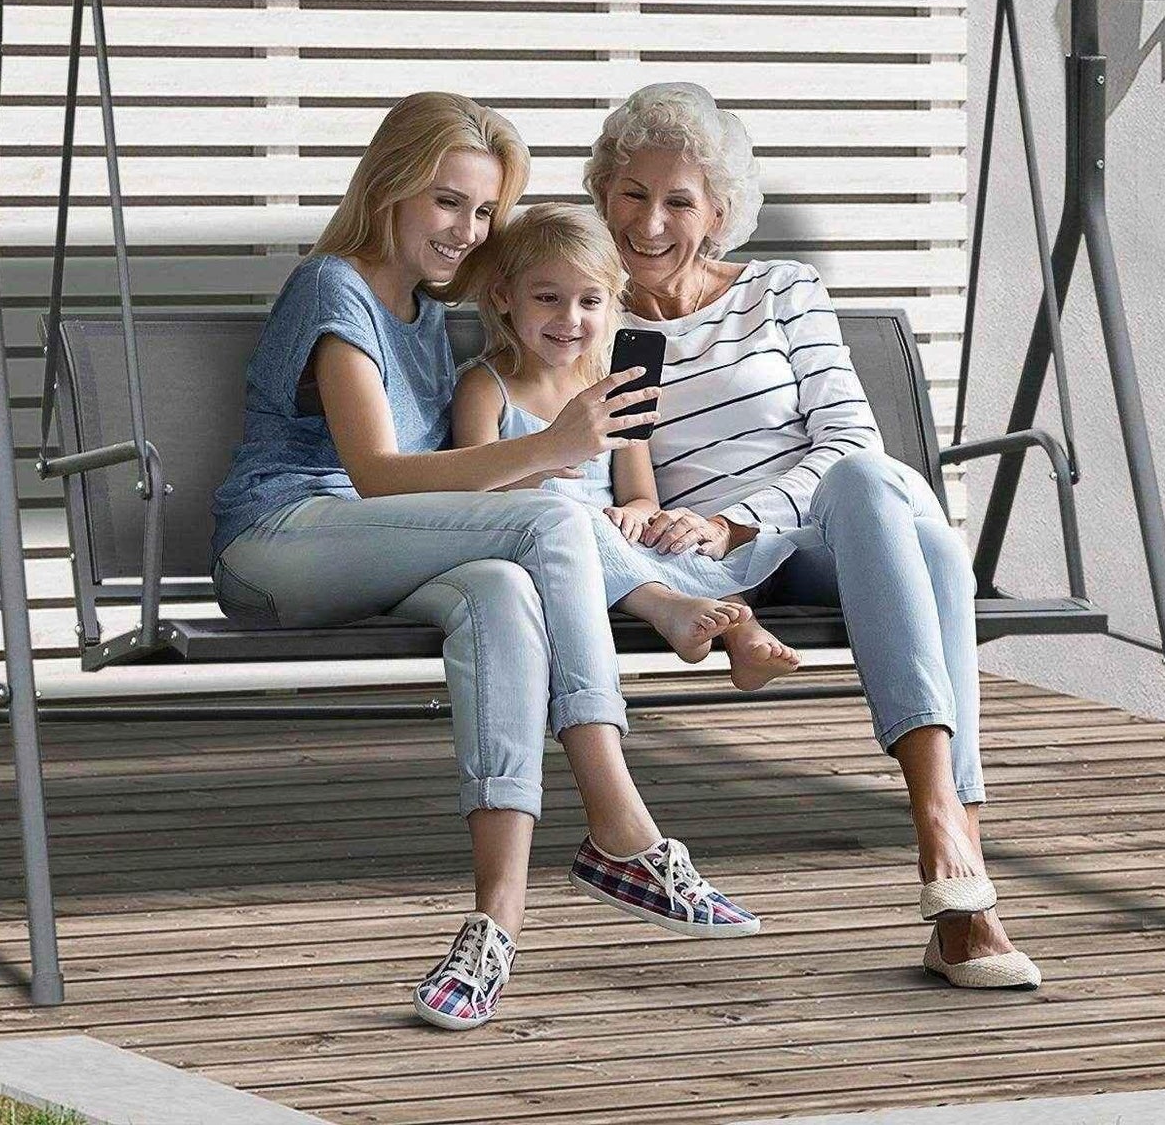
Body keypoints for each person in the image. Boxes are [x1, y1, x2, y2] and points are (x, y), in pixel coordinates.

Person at [209, 93, 761, 1034]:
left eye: (482, 214)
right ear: (391, 187)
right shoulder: (331, 284)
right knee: (545, 517)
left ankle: (494, 922)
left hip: (386, 545)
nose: (467, 232)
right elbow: (380, 477)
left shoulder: (425, 312)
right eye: (447, 203)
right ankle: (622, 821)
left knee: (504, 593)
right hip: (285, 540)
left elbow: (436, 490)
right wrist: (551, 449)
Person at [585, 81, 1042, 991]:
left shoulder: (783, 291)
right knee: (942, 557)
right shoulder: (594, 318)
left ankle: (940, 831)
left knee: (873, 484)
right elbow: (603, 472)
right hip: (719, 565)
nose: (651, 222)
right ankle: (960, 885)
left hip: (826, 533)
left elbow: (850, 442)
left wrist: (738, 516)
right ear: (603, 196)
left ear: (718, 213)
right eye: (633, 193)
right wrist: (701, 535)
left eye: (680, 200)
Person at [450, 202, 802, 692]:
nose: (569, 319)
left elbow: (640, 493)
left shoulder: (614, 388)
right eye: (548, 297)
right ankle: (666, 609)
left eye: (589, 302)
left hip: (613, 541)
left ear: (612, 303)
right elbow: (474, 497)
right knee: (576, 525)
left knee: (678, 541)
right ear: (506, 296)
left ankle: (743, 635)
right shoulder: (486, 388)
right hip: (535, 548)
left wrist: (636, 514)